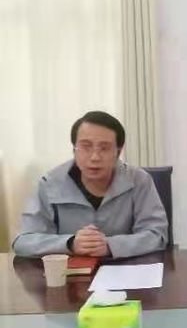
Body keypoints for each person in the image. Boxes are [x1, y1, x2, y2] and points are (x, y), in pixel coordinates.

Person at [12, 111, 168, 259]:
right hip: (69, 273)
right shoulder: (50, 184)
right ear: (74, 150)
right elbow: (23, 241)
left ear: (118, 152)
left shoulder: (139, 180)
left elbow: (157, 235)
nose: (94, 157)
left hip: (127, 269)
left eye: (104, 148)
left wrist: (110, 245)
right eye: (86, 147)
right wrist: (70, 243)